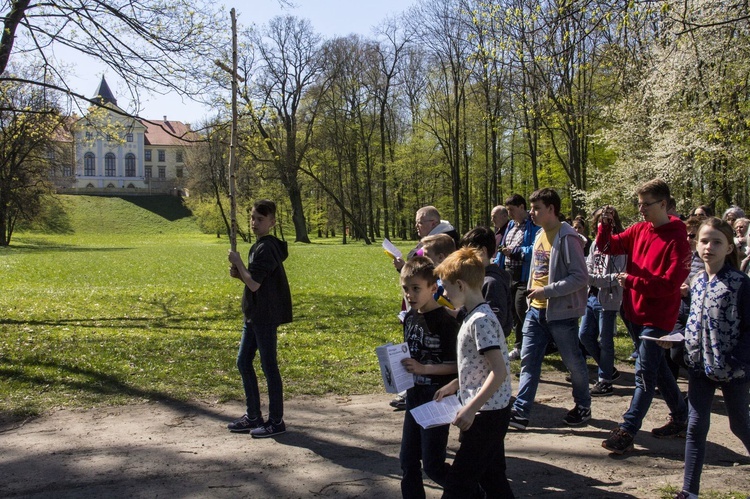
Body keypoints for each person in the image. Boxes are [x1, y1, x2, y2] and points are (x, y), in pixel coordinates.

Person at [599, 179, 690, 454]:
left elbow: (669, 284)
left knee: (644, 376)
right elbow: (608, 247)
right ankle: (682, 416)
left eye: (646, 204)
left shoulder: (678, 238)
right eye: (639, 204)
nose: (641, 210)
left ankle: (627, 430)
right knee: (658, 370)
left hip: (658, 318)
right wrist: (604, 224)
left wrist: (633, 281)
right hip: (634, 312)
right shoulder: (639, 230)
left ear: (663, 204)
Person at [669, 217, 750, 499]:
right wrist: (676, 340)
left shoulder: (740, 283)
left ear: (729, 248)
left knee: (739, 424)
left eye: (717, 242)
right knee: (695, 426)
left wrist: (737, 360)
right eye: (704, 241)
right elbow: (687, 318)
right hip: (699, 368)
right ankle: (689, 491)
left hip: (732, 371)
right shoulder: (696, 281)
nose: (709, 247)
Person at [434, 247, 514, 498]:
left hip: (486, 415)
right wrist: (456, 384)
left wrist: (471, 408)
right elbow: (481, 366)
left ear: (460, 285)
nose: (444, 294)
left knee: (459, 484)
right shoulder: (473, 315)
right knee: (493, 478)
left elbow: (499, 371)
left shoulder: (480, 320)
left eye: (445, 288)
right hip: (489, 411)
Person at [508, 188, 590, 430]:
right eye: (532, 208)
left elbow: (580, 277)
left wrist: (547, 291)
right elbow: (537, 271)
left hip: (561, 314)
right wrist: (535, 294)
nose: (531, 213)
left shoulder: (568, 237)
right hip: (535, 311)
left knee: (573, 362)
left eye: (536, 209)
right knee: (529, 361)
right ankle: (521, 412)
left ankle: (583, 406)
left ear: (551, 210)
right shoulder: (540, 235)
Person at [227, 199, 292, 438]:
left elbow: (254, 284)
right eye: (253, 218)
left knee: (268, 366)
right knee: (243, 362)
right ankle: (253, 415)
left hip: (265, 315)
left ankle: (276, 421)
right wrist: (239, 275)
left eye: (260, 219)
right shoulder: (258, 246)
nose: (254, 223)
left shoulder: (267, 247)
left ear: (272, 223)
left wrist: (239, 263)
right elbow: (253, 280)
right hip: (254, 315)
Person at [398, 257, 459, 499]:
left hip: (436, 400)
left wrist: (424, 369)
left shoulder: (446, 322)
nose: (410, 295)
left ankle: (472, 491)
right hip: (413, 398)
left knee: (433, 466)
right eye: (405, 288)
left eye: (416, 289)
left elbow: (457, 367)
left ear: (433, 288)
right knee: (408, 462)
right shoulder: (410, 317)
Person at [578, 207, 627, 396]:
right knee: (584, 336)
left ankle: (605, 380)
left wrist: (592, 279)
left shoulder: (620, 243)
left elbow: (619, 274)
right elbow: (589, 264)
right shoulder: (595, 244)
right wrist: (589, 278)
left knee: (605, 340)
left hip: (609, 297)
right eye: (599, 220)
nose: (602, 224)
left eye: (606, 220)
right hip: (592, 295)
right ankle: (608, 368)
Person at [494, 194, 540, 361]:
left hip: (524, 275)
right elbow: (503, 247)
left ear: (522, 207)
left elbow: (535, 249)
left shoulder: (533, 225)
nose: (510, 214)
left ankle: (535, 343)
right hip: (508, 274)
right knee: (513, 311)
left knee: (522, 308)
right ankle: (520, 346)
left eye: (512, 210)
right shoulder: (512, 225)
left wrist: (515, 251)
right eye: (507, 210)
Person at [459, 226, 513, 337]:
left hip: (488, 346)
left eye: (468, 252)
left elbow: (496, 321)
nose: (463, 257)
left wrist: (460, 314)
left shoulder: (492, 283)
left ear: (483, 251)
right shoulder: (476, 278)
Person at [394, 206, 460, 272]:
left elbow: (425, 269)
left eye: (420, 223)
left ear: (433, 223)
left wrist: (403, 267)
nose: (416, 226)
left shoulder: (440, 240)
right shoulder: (433, 236)